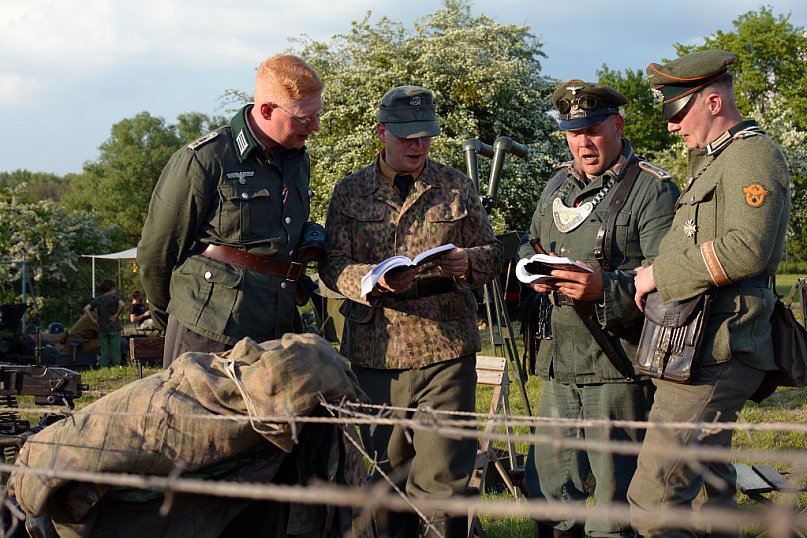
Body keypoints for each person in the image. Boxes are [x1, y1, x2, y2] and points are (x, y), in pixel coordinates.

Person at [319, 85, 503, 538]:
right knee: (385, 479)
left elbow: (494, 253)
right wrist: (371, 280)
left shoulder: (456, 185)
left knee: (444, 480)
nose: (417, 146)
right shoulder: (350, 191)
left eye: (425, 136)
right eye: (406, 137)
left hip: (446, 348)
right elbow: (332, 265)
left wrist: (469, 263)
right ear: (382, 133)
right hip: (375, 352)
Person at [629, 50, 790, 536]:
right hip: (699, 342)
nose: (673, 126)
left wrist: (659, 274)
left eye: (678, 112)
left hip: (717, 346)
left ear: (714, 101)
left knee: (653, 499)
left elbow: (747, 249)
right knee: (706, 488)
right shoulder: (719, 160)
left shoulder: (751, 155)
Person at [517, 81, 680, 537]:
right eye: (573, 132)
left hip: (617, 366)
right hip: (558, 367)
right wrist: (529, 270)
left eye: (592, 129)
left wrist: (603, 289)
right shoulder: (557, 184)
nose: (582, 143)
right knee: (550, 496)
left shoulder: (652, 190)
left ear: (618, 125)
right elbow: (531, 244)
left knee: (614, 506)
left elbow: (672, 281)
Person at [137, 54, 324, 367]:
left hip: (277, 330)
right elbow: (156, 254)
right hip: (211, 331)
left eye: (318, 116)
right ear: (267, 110)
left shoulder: (298, 159)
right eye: (305, 119)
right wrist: (177, 315)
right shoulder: (205, 159)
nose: (315, 127)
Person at [84, 279, 126, 367]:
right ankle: (116, 366)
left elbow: (86, 308)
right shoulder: (115, 298)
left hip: (102, 327)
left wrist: (93, 320)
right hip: (114, 327)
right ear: (111, 288)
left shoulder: (98, 299)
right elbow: (122, 304)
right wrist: (116, 315)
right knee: (115, 348)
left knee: (104, 349)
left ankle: (104, 366)